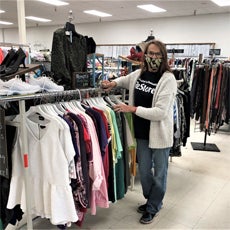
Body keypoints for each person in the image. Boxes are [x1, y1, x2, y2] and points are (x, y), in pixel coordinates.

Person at [101, 40, 177, 224]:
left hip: (159, 134)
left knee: (159, 173)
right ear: (145, 56)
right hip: (142, 133)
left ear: (163, 57)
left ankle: (153, 206)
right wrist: (112, 83)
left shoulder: (168, 79)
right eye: (150, 53)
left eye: (157, 54)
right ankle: (152, 199)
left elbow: (160, 112)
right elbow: (125, 80)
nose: (153, 57)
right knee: (144, 171)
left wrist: (132, 109)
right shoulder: (140, 73)